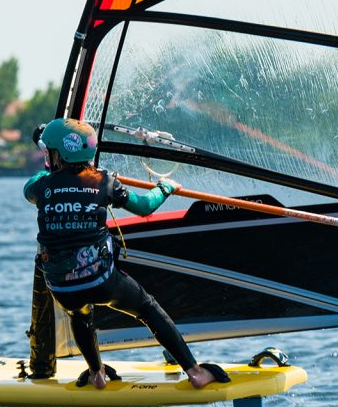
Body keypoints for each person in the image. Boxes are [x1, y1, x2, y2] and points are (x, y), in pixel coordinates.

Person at [22, 118, 228, 390]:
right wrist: (165, 188)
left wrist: (52, 165)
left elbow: (38, 182)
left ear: (58, 154)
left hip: (61, 287)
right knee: (147, 308)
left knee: (79, 315)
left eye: (48, 150)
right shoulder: (104, 181)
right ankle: (195, 371)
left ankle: (97, 374)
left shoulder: (39, 187)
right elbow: (144, 207)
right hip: (101, 281)